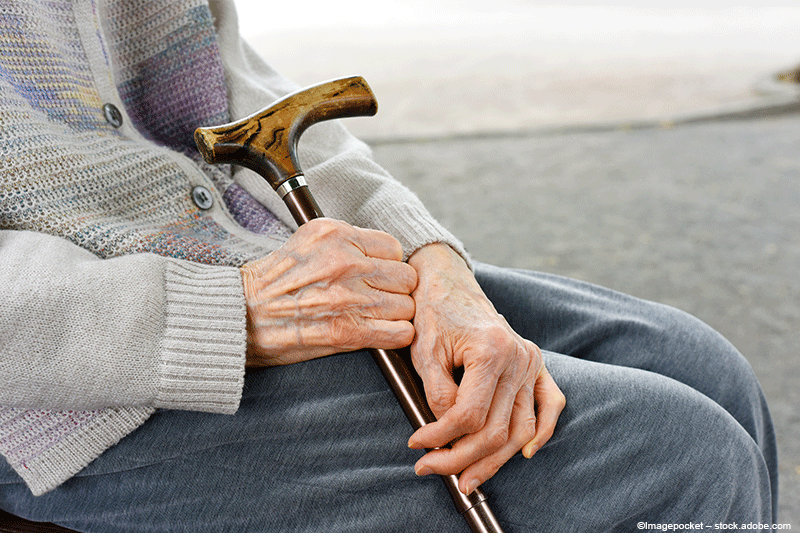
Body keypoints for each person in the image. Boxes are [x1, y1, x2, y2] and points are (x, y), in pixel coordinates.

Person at [0, 1, 776, 531]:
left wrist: (433, 261)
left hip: (244, 255)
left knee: (699, 365)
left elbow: (234, 92)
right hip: (63, 384)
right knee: (679, 454)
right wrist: (222, 315)